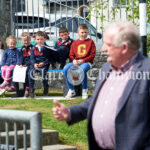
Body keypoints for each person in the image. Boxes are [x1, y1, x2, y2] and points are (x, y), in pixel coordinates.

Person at [52, 21, 150, 150]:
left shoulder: (146, 71)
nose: (103, 49)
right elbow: (97, 100)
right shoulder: (106, 68)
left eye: (108, 44)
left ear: (124, 48)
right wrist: (71, 112)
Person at [64, 24, 96, 99]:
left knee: (81, 69)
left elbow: (92, 55)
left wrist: (83, 60)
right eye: (82, 32)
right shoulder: (74, 43)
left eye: (86, 32)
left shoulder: (90, 42)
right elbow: (71, 55)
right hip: (76, 62)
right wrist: (74, 60)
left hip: (86, 62)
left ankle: (84, 90)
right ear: (78, 32)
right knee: (66, 68)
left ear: (88, 32)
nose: (84, 34)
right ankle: (71, 90)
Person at [8, 32, 33, 96]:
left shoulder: (32, 48)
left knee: (28, 72)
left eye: (27, 40)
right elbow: (20, 57)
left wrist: (27, 64)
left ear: (30, 40)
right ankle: (16, 89)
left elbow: (32, 58)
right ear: (22, 41)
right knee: (15, 71)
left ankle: (27, 88)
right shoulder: (22, 48)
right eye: (24, 40)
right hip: (23, 64)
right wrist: (20, 64)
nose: (26, 41)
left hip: (30, 64)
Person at [29, 31, 50, 98]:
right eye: (38, 39)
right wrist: (34, 64)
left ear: (44, 39)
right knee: (30, 72)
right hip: (35, 64)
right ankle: (31, 89)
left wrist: (43, 63)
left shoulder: (47, 48)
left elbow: (49, 58)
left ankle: (45, 86)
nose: (39, 41)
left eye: (41, 39)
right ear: (35, 39)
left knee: (43, 72)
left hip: (44, 64)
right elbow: (32, 58)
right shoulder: (33, 48)